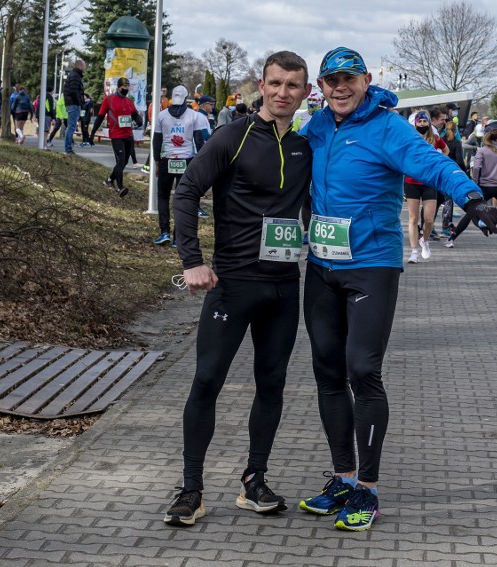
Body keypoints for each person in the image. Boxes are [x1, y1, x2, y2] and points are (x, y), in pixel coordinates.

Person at [299, 46, 497, 532]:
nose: (340, 88)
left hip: (371, 265)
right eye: (331, 81)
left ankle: (367, 488)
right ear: (320, 87)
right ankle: (343, 478)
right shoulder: (317, 127)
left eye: (349, 78)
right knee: (327, 372)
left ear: (366, 79)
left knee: (362, 369)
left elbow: (431, 164)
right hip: (322, 264)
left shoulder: (388, 126)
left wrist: (470, 197)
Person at [163, 51, 313, 528]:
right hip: (233, 285)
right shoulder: (234, 135)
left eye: (292, 85)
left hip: (284, 288)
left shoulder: (307, 146)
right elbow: (185, 192)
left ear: (305, 91)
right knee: (207, 381)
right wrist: (192, 262)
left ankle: (254, 480)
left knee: (272, 385)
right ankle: (191, 489)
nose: (282, 92)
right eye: (275, 83)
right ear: (261, 86)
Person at [151, 85, 209, 246]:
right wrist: (200, 163)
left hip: (166, 159)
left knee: (163, 196)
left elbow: (157, 141)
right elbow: (199, 141)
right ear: (185, 98)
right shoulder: (194, 115)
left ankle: (164, 232)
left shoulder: (161, 115)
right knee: (182, 198)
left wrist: (157, 161)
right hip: (186, 160)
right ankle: (178, 238)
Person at [404, 111, 448, 263]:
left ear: (428, 123)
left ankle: (425, 240)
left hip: (430, 182)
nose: (422, 124)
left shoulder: (434, 139)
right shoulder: (409, 139)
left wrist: (439, 163)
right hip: (411, 182)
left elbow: (446, 150)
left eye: (424, 121)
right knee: (413, 218)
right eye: (419, 121)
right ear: (415, 123)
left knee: (428, 220)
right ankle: (414, 252)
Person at [89, 77, 143, 197]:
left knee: (124, 162)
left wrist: (139, 120)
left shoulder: (129, 101)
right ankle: (120, 187)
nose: (126, 89)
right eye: (124, 87)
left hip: (128, 134)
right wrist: (92, 133)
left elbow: (134, 114)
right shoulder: (109, 100)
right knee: (120, 160)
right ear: (119, 87)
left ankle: (109, 180)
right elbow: (100, 117)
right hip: (116, 135)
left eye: (128, 87)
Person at [63, 59, 86, 155]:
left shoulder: (74, 75)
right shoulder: (75, 76)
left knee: (71, 126)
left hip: (71, 103)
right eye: (84, 65)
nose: (85, 67)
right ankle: (68, 148)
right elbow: (74, 91)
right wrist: (79, 102)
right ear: (80, 65)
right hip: (73, 104)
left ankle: (68, 147)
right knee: (71, 126)